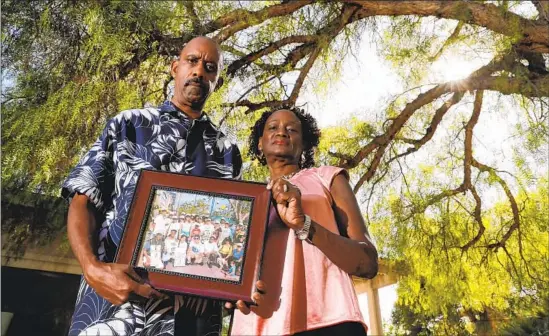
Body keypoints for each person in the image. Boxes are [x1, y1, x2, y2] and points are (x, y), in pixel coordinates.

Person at [63, 36, 265, 335]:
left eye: (210, 67)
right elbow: (83, 198)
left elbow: (231, 237)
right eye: (192, 61)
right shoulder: (127, 124)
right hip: (114, 307)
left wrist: (240, 283)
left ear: (216, 81)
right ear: (175, 67)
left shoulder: (227, 153)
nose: (199, 71)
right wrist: (92, 268)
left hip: (192, 319)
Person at [231, 107, 379, 336]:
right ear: (260, 143)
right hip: (257, 327)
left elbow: (367, 262)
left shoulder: (327, 178)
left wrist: (304, 225)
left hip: (328, 321)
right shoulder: (246, 201)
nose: (281, 132)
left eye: (292, 129)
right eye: (272, 127)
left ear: (305, 144)